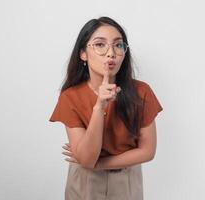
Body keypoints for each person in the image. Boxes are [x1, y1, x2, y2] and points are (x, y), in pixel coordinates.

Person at [49, 16, 163, 200]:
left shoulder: (141, 92)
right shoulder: (71, 97)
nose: (111, 53)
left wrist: (99, 164)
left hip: (126, 180)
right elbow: (86, 158)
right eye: (100, 45)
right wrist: (100, 105)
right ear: (83, 54)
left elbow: (148, 151)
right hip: (85, 181)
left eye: (118, 45)